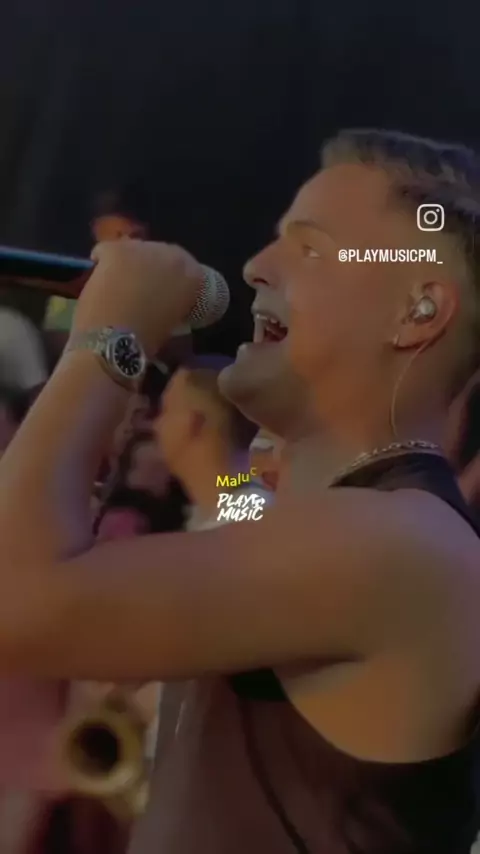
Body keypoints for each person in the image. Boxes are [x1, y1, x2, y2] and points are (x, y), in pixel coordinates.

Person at [1, 129, 480, 854]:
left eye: (310, 248)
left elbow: (13, 602)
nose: (256, 266)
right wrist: (213, 470)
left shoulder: (404, 544)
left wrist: (109, 340)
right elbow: (250, 513)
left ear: (417, 311)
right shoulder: (332, 518)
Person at [155, 363, 261, 527]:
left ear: (194, 422)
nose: (156, 425)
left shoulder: (248, 516)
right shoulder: (208, 517)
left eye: (165, 410)